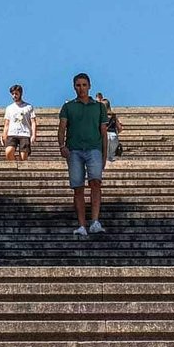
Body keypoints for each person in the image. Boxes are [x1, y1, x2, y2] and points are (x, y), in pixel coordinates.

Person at [57, 73, 109, 239]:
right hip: (74, 150)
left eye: (84, 85)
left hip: (94, 148)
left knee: (95, 182)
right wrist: (61, 146)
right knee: (78, 187)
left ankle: (94, 221)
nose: (81, 88)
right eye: (78, 85)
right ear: (74, 87)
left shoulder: (99, 107)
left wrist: (105, 154)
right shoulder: (68, 107)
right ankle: (81, 225)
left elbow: (103, 132)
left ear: (89, 86)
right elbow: (62, 128)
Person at [1, 84, 37, 162]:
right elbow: (7, 123)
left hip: (24, 134)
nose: (14, 96)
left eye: (16, 94)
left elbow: (33, 122)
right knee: (8, 152)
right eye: (13, 94)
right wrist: (4, 134)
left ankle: (20, 170)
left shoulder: (28, 107)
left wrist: (33, 135)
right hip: (12, 133)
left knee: (23, 158)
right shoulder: (9, 108)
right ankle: (14, 165)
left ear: (20, 94)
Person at [96, 93, 123, 160]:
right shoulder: (113, 116)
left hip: (104, 136)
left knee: (104, 156)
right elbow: (120, 128)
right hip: (113, 136)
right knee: (112, 156)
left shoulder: (99, 116)